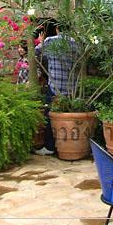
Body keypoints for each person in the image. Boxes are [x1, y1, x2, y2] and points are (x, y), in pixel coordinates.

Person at [34, 20, 78, 156]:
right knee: (67, 118)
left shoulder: (51, 41)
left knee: (50, 116)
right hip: (71, 87)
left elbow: (37, 52)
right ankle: (69, 145)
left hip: (55, 86)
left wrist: (40, 41)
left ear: (57, 28)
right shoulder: (75, 43)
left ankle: (50, 146)